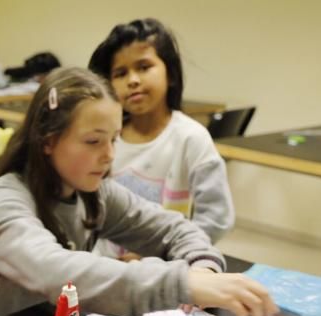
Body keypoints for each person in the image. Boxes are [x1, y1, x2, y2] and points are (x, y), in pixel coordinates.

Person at [0, 67, 276, 316]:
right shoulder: (6, 198)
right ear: (48, 141)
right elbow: (57, 272)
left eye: (114, 139)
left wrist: (202, 268)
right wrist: (182, 284)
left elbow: (172, 229)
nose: (108, 156)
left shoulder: (95, 193)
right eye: (93, 141)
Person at [88, 18, 234, 253]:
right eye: (121, 73)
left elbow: (216, 218)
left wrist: (172, 253)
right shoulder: (105, 140)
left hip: (162, 272)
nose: (133, 80)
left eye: (144, 67)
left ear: (171, 75)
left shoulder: (191, 138)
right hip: (106, 271)